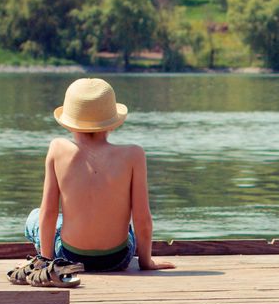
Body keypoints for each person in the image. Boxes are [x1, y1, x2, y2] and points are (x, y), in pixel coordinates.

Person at [22, 78, 174, 275]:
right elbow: (141, 218)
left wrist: (47, 260)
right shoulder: (134, 155)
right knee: (125, 228)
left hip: (69, 256)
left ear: (69, 124)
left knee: (35, 216)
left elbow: (48, 212)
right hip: (117, 259)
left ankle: (45, 259)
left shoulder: (57, 149)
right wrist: (146, 262)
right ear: (112, 124)